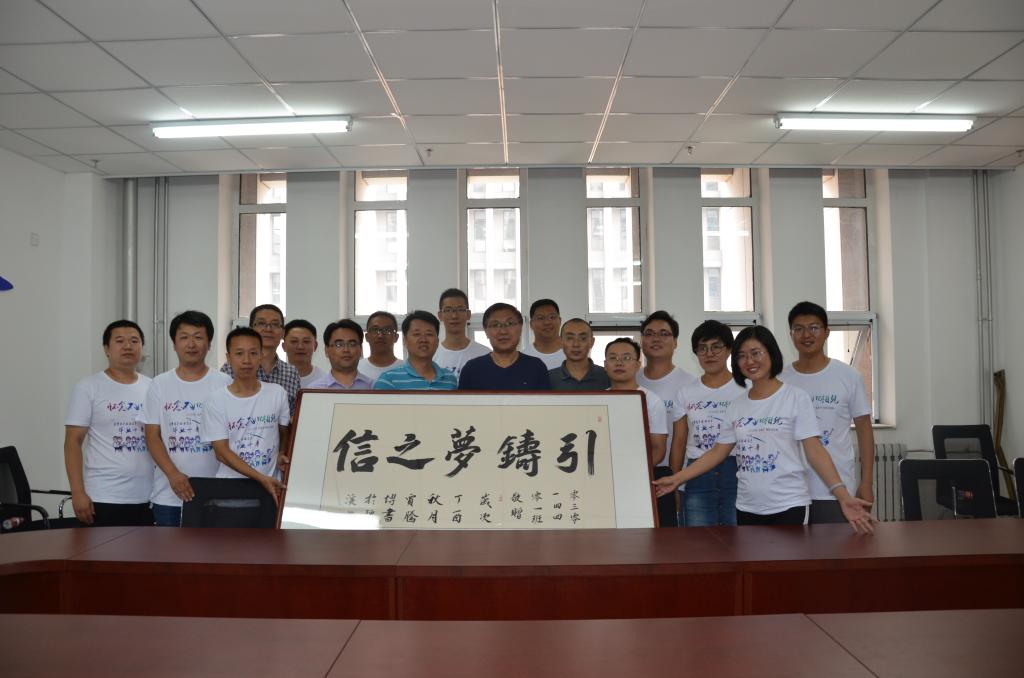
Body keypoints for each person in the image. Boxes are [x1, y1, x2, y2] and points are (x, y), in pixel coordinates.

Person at [654, 326, 875, 534]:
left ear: (771, 354)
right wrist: (677, 478)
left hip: (789, 504)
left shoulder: (795, 398)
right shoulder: (737, 406)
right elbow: (717, 452)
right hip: (746, 506)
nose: (749, 361)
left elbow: (815, 450)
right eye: (742, 356)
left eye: (756, 353)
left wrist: (842, 495)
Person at [781, 301, 875, 524]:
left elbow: (865, 431)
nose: (806, 335)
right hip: (790, 490)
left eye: (813, 327)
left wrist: (867, 482)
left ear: (826, 332)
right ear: (791, 334)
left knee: (838, 546)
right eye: (798, 329)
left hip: (836, 491)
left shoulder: (848, 376)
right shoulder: (780, 380)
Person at [142, 311, 231, 527]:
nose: (191, 344)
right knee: (170, 550)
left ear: (209, 344)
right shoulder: (159, 384)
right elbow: (152, 436)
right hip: (169, 494)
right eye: (184, 337)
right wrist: (173, 475)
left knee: (214, 549)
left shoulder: (224, 382)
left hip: (216, 493)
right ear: (174, 344)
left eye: (198, 337)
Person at [64, 320, 154, 526]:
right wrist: (77, 492)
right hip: (103, 496)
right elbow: (72, 442)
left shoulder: (153, 387)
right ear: (106, 349)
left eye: (134, 341)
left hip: (148, 495)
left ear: (141, 347)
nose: (128, 346)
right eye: (120, 341)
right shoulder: (88, 387)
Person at [201, 327, 291, 506]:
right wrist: (260, 478)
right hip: (232, 492)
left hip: (271, 491)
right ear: (228, 358)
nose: (247, 360)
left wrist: (281, 453)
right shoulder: (216, 400)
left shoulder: (277, 393)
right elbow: (221, 453)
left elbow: (283, 432)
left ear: (261, 356)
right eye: (239, 353)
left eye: (253, 353)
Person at [674, 320, 745, 527]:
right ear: (696, 353)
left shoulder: (746, 388)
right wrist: (676, 481)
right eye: (702, 348)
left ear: (729, 350)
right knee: (698, 541)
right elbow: (679, 440)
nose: (709, 354)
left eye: (716, 347)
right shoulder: (685, 392)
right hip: (697, 473)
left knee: (740, 539)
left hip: (738, 471)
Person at [637, 310, 697, 523]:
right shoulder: (631, 380)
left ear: (676, 342)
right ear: (641, 341)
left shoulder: (690, 383)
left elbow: (684, 438)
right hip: (636, 473)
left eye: (664, 334)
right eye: (649, 333)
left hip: (676, 477)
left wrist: (677, 482)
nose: (656, 339)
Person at [604, 337, 672, 526]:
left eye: (626, 358)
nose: (619, 363)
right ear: (605, 365)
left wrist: (632, 473)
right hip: (606, 481)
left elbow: (658, 449)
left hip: (643, 479)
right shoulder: (598, 399)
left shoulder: (652, 400)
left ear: (637, 365)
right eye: (613, 358)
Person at [220, 304, 300, 416]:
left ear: (283, 333)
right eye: (261, 323)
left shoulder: (291, 373)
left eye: (275, 324)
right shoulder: (229, 369)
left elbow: (294, 417)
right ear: (251, 329)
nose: (268, 329)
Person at [458, 303, 551, 391]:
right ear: (486, 331)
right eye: (495, 325)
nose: (503, 331)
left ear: (520, 328)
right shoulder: (472, 369)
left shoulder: (536, 367)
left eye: (510, 324)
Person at [374, 311, 458, 390]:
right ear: (405, 341)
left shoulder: (450, 379)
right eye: (416, 334)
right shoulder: (388, 381)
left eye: (429, 334)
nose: (423, 340)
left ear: (437, 342)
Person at [433, 288, 489, 380]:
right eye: (448, 310)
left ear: (468, 314)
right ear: (440, 315)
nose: (454, 316)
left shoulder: (485, 354)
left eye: (460, 309)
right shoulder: (432, 356)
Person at [307, 319, 374, 390]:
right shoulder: (314, 390)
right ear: (326, 351)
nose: (346, 350)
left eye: (352, 344)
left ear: (361, 349)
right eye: (339, 345)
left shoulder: (373, 388)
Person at [549, 318, 610, 391]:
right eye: (570, 338)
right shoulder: (548, 378)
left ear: (592, 342)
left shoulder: (608, 376)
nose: (576, 344)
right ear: (560, 342)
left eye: (583, 338)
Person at [359, 311, 405, 381]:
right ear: (367, 337)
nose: (380, 335)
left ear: (396, 337)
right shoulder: (356, 369)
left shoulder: (407, 370)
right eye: (375, 330)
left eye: (387, 330)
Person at [283, 319, 327, 389]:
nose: (300, 346)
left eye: (306, 341)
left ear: (315, 346)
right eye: (294, 341)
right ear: (284, 346)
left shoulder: (325, 382)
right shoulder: (275, 379)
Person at [522, 298, 564, 370]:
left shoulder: (574, 353)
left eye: (552, 317)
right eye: (540, 318)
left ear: (560, 321)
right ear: (531, 324)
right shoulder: (524, 358)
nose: (547, 322)